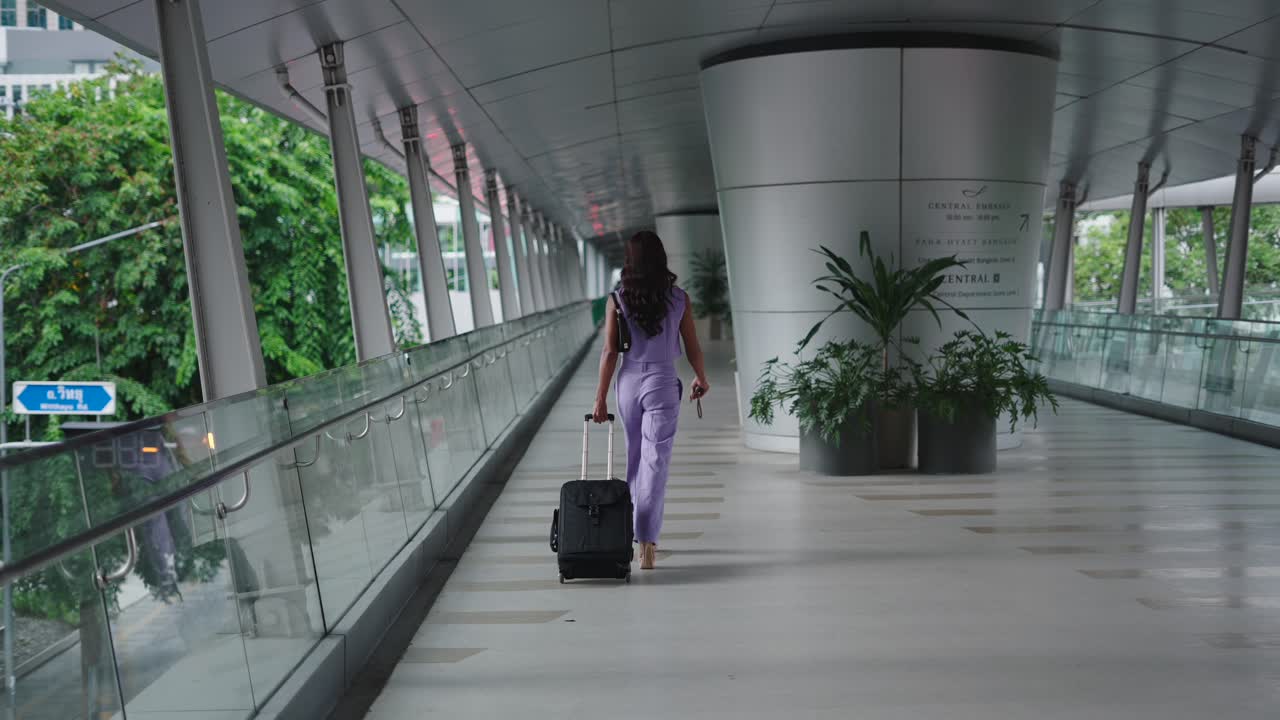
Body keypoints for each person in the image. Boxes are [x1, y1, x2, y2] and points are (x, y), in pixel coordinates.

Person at [592, 230, 710, 570]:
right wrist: (701, 377)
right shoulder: (679, 298)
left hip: (628, 382)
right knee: (655, 461)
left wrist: (600, 398)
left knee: (634, 460)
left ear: (630, 261)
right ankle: (647, 541)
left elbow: (609, 352)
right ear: (661, 259)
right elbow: (692, 346)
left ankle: (632, 533)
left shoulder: (618, 299)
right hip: (661, 380)